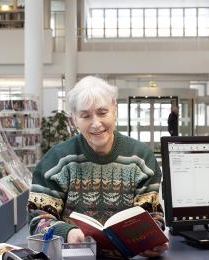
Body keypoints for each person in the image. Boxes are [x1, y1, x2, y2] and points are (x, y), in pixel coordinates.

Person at [27, 76, 168, 258]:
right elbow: (38, 219)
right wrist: (68, 233)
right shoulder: (56, 160)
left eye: (102, 113)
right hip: (74, 256)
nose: (96, 124)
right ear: (74, 119)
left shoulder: (141, 158)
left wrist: (151, 241)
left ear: (114, 109)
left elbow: (153, 215)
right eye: (85, 116)